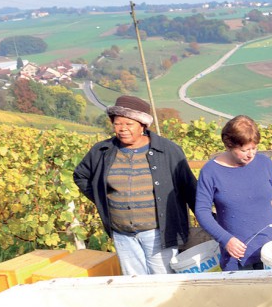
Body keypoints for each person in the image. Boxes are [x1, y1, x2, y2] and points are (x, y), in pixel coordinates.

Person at [73, 95, 197, 275]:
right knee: (134, 283)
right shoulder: (102, 151)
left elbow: (189, 187)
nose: (122, 129)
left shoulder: (167, 150)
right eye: (117, 123)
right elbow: (81, 175)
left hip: (158, 234)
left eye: (128, 124)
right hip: (123, 235)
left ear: (142, 126)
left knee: (163, 281)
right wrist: (102, 199)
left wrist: (207, 217)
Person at [195, 115, 272, 271]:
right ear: (229, 145)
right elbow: (202, 211)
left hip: (271, 252)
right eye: (244, 150)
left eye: (254, 148)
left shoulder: (265, 163)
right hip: (237, 256)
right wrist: (226, 240)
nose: (250, 154)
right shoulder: (210, 172)